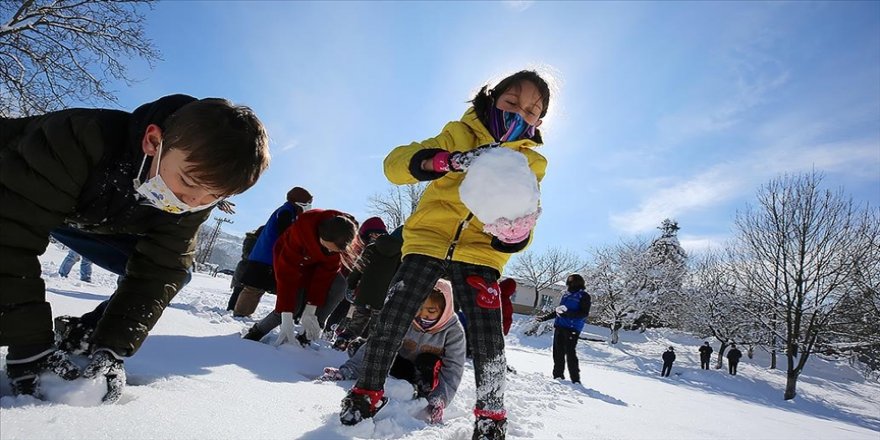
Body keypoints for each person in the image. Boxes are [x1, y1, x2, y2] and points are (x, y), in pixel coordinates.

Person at [1, 95, 270, 402]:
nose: (193, 201)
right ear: (153, 142)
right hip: (10, 188)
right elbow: (11, 233)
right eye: (188, 181)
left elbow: (161, 269)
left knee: (177, 272)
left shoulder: (190, 201)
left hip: (78, 217)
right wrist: (29, 346)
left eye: (214, 196)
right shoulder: (80, 137)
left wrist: (111, 347)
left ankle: (86, 335)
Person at [338, 70, 551, 440]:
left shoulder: (531, 164)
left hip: (482, 254)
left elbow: (525, 219)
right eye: (512, 102)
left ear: (539, 122)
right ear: (492, 100)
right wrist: (446, 161)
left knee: (487, 335)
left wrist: (516, 235)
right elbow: (394, 165)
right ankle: (366, 393)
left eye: (531, 111)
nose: (520, 114)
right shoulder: (458, 134)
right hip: (428, 241)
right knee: (394, 315)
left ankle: (490, 417)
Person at [322, 279, 465, 424]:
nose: (423, 315)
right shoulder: (405, 318)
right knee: (365, 347)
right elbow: (380, 343)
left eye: (431, 311)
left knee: (427, 360)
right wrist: (347, 371)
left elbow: (453, 368)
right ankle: (367, 369)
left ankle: (419, 392)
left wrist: (440, 398)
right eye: (419, 308)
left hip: (426, 373)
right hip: (400, 365)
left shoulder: (454, 331)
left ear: (444, 310)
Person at [242, 209, 357, 344]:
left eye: (333, 250)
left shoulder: (342, 240)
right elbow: (287, 276)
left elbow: (323, 278)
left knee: (339, 285)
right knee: (291, 306)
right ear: (320, 233)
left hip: (314, 269)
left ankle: (308, 334)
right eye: (326, 247)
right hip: (290, 265)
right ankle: (257, 332)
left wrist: (310, 310)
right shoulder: (301, 230)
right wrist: (286, 314)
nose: (329, 251)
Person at [233, 187, 313, 317]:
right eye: (307, 203)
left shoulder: (289, 211)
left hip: (268, 256)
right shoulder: (286, 212)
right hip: (265, 256)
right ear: (298, 202)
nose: (308, 206)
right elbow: (286, 234)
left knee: (258, 288)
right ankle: (240, 315)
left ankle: (244, 313)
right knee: (254, 288)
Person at [332, 220, 401, 352]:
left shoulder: (372, 247)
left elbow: (358, 269)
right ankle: (365, 352)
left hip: (363, 295)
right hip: (382, 299)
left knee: (355, 325)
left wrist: (351, 285)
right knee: (375, 330)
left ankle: (340, 344)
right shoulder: (402, 255)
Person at [536, 274, 591, 384]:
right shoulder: (566, 295)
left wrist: (567, 314)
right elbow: (559, 310)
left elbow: (584, 313)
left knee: (570, 354)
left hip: (572, 329)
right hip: (559, 326)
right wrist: (544, 318)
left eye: (572, 281)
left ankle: (575, 380)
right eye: (569, 281)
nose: (570, 283)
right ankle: (558, 376)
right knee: (557, 353)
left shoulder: (584, 296)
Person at [226, 226, 265, 312]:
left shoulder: (255, 241)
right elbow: (247, 254)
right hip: (245, 268)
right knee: (238, 290)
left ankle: (234, 309)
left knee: (242, 291)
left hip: (248, 268)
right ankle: (231, 309)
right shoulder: (252, 241)